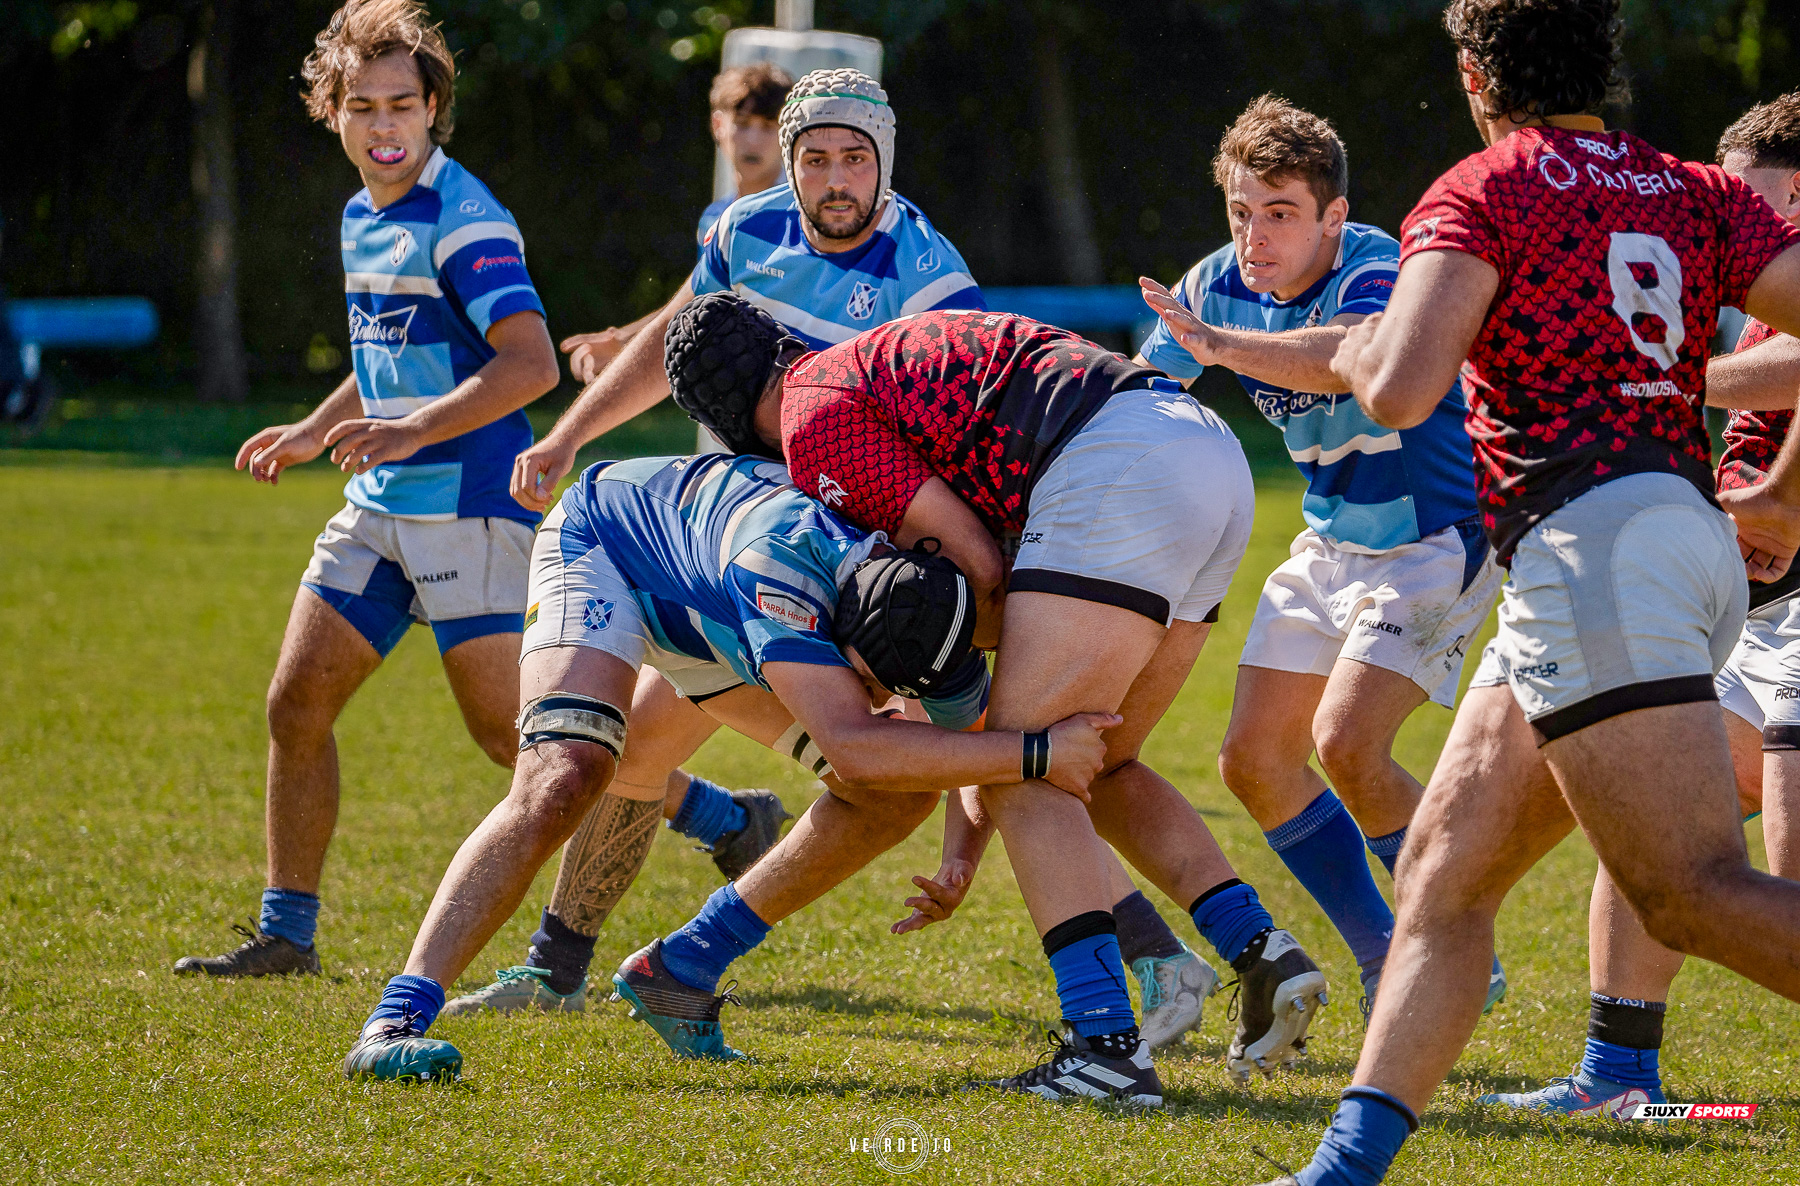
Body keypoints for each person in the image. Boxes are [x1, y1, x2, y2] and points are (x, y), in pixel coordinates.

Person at [455, 68, 1207, 1034]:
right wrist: (568, 436)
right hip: (728, 543)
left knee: (966, 753)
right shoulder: (744, 228)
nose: (836, 177)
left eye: (856, 158)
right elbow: (675, 339)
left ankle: (1157, 957)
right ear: (791, 158)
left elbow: (961, 441)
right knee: (655, 745)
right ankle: (583, 969)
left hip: (845, 567)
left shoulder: (929, 274)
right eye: (817, 157)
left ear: (884, 162)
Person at [1258, 3, 1800, 1183]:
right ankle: (1340, 1171)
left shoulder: (1483, 187)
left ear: (1471, 73)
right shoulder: (1697, 187)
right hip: (1667, 535)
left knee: (1690, 895)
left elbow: (1399, 392)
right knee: (1443, 875)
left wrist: (1352, 350)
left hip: (1588, 547)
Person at [656, 292, 1332, 1104]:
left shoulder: (811, 418)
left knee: (1029, 765)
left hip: (1118, 462)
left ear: (726, 420)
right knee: (1103, 766)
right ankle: (1260, 952)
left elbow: (973, 563)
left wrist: (955, 693)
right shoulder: (857, 363)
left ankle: (1105, 1049)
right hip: (1202, 446)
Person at [339, 448, 1117, 1081]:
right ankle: (395, 1020)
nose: (890, 701)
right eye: (881, 688)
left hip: (710, 602)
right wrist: (1042, 751)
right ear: (840, 647)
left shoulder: (921, 601)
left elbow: (958, 742)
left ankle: (681, 967)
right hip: (606, 545)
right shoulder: (780, 579)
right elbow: (857, 743)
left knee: (894, 794)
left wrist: (960, 858)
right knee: (564, 775)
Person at [173, 0, 559, 978]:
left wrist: (410, 429)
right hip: (384, 501)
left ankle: (709, 811)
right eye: (362, 106)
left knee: (516, 740)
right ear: (332, 113)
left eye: (403, 105)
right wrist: (315, 427)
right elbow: (390, 354)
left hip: (470, 502)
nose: (384, 126)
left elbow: (530, 365)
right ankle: (287, 934)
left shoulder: (467, 222)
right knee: (295, 702)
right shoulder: (363, 215)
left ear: (434, 109)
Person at [1137, 95, 1506, 1019]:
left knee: (1345, 743)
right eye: (1240, 211)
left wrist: (1221, 347)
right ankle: (1386, 957)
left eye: (1281, 213)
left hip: (1434, 538)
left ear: (1333, 215)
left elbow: (1355, 356)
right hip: (1330, 540)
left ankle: (1456, 937)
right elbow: (1141, 396)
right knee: (1255, 763)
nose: (1254, 237)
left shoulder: (1385, 266)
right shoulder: (1217, 282)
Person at [1478, 91, 1800, 1122]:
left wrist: (1676, 384)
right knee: (1656, 823)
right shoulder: (1761, 288)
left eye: (1763, 203)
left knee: (1785, 874)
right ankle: (1617, 1076)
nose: (1743, 227)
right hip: (1753, 611)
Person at [559, 62, 794, 386]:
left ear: (786, 133)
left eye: (768, 126)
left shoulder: (802, 215)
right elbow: (697, 304)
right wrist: (623, 341)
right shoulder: (717, 217)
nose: (753, 139)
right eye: (742, 123)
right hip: (730, 399)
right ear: (717, 125)